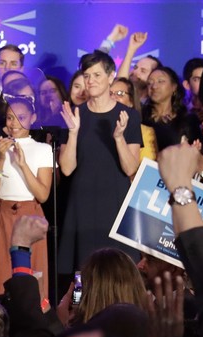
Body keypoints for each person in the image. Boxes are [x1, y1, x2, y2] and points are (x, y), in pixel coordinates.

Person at [57, 50, 142, 274]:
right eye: (87, 76)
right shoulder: (73, 115)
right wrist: (73, 132)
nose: (90, 81)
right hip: (82, 205)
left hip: (116, 205)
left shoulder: (129, 116)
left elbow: (131, 168)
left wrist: (119, 138)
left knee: (119, 272)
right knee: (85, 272)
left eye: (96, 75)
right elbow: (66, 168)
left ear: (111, 76)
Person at [0, 98, 53, 296]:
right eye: (10, 118)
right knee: (1, 277)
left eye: (21, 117)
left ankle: (35, 314)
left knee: (34, 278)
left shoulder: (43, 149)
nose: (14, 123)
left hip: (30, 214)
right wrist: (0, 158)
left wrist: (22, 164)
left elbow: (43, 195)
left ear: (33, 118)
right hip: (2, 214)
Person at [141, 66, 198, 151]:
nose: (154, 86)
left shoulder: (187, 120)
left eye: (161, 81)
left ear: (174, 87)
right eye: (150, 83)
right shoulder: (140, 116)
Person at [112, 78, 156, 161]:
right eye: (109, 93)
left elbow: (146, 165)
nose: (113, 97)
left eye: (120, 93)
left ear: (131, 101)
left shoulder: (145, 132)